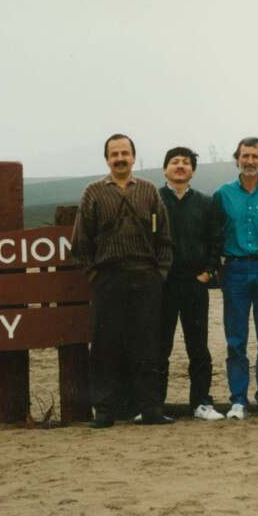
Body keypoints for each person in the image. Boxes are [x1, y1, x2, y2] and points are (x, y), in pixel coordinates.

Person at [71, 133, 174, 428]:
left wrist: (160, 274)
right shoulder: (93, 192)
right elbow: (80, 243)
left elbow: (164, 239)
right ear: (107, 159)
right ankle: (104, 411)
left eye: (124, 153)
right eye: (114, 154)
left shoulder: (149, 191)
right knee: (105, 345)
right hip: (108, 278)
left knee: (147, 344)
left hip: (146, 276)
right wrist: (94, 275)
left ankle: (151, 409)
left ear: (133, 156)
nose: (119, 158)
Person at [213, 136, 258, 420]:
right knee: (236, 339)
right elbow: (216, 235)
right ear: (237, 159)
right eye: (245, 156)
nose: (250, 161)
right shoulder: (223, 194)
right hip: (234, 270)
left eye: (255, 156)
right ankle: (238, 399)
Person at [158, 146, 224, 421]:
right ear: (165, 169)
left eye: (186, 162)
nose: (181, 166)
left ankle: (201, 402)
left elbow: (215, 241)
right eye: (175, 162)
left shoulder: (206, 203)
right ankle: (153, 404)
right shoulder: (154, 199)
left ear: (193, 171)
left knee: (197, 346)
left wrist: (208, 272)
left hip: (195, 283)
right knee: (159, 346)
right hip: (163, 284)